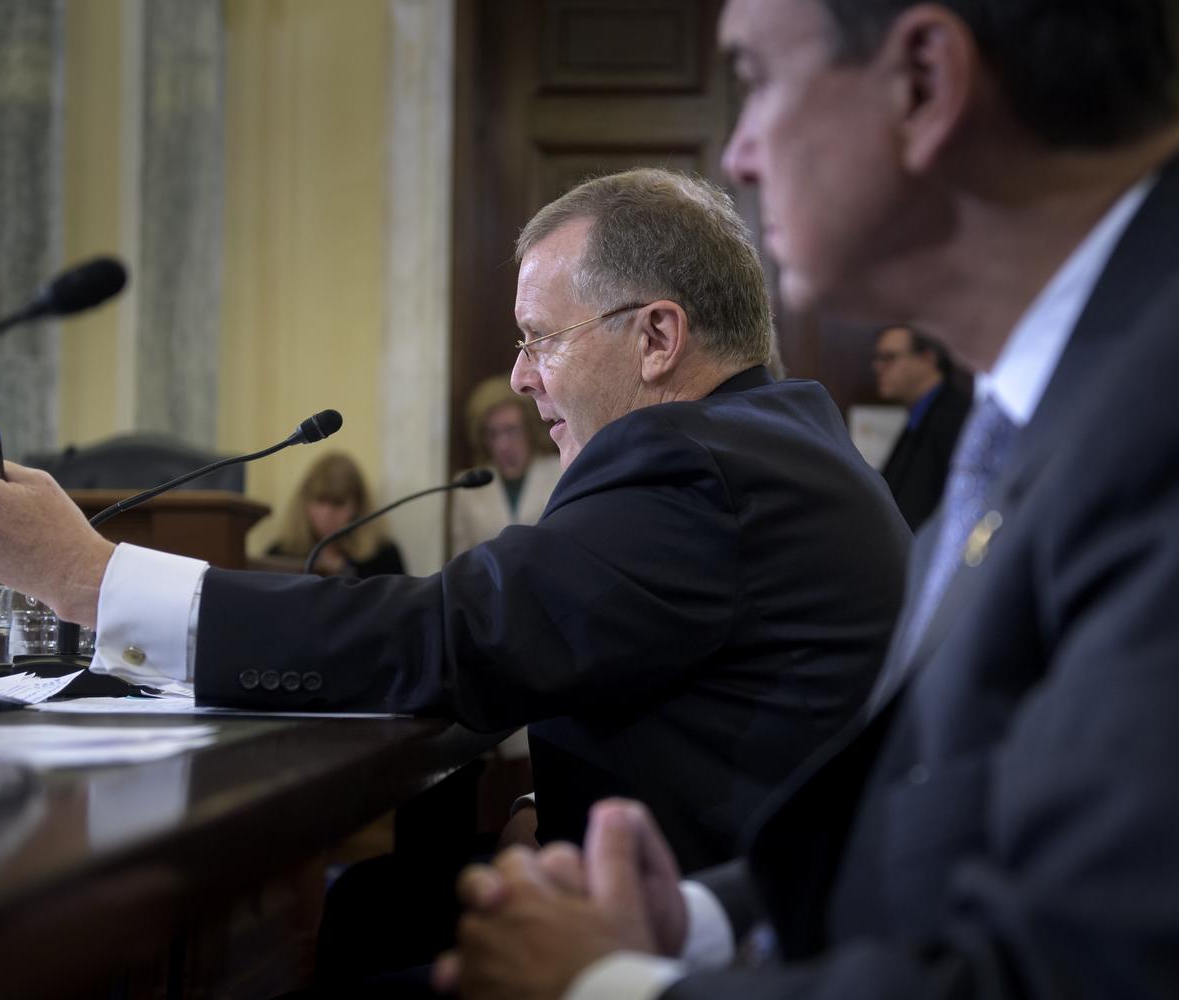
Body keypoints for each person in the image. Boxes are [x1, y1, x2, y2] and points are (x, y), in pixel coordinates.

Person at [437, 1, 1179, 998]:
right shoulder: (1069, 384)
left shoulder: (1149, 415)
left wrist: (611, 987)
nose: (737, 153)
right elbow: (946, 829)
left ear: (920, 80)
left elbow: (1077, 970)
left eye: (755, 78)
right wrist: (695, 923)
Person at [0, 167, 908, 878]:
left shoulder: (696, 469)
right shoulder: (768, 444)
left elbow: (459, 630)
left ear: (655, 336)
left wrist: (90, 580)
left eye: (538, 341)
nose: (523, 379)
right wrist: (539, 804)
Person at [450, 375, 562, 557]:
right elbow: (461, 559)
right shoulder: (467, 486)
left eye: (511, 430)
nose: (502, 444)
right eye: (492, 433)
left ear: (529, 429)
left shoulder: (560, 471)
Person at [871, 325, 970, 531]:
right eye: (877, 358)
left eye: (889, 358)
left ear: (927, 359)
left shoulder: (953, 417)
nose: (877, 367)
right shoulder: (921, 416)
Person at [264, 451, 405, 578]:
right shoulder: (280, 556)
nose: (327, 514)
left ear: (358, 506)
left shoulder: (384, 557)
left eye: (338, 503)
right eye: (320, 501)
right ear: (305, 502)